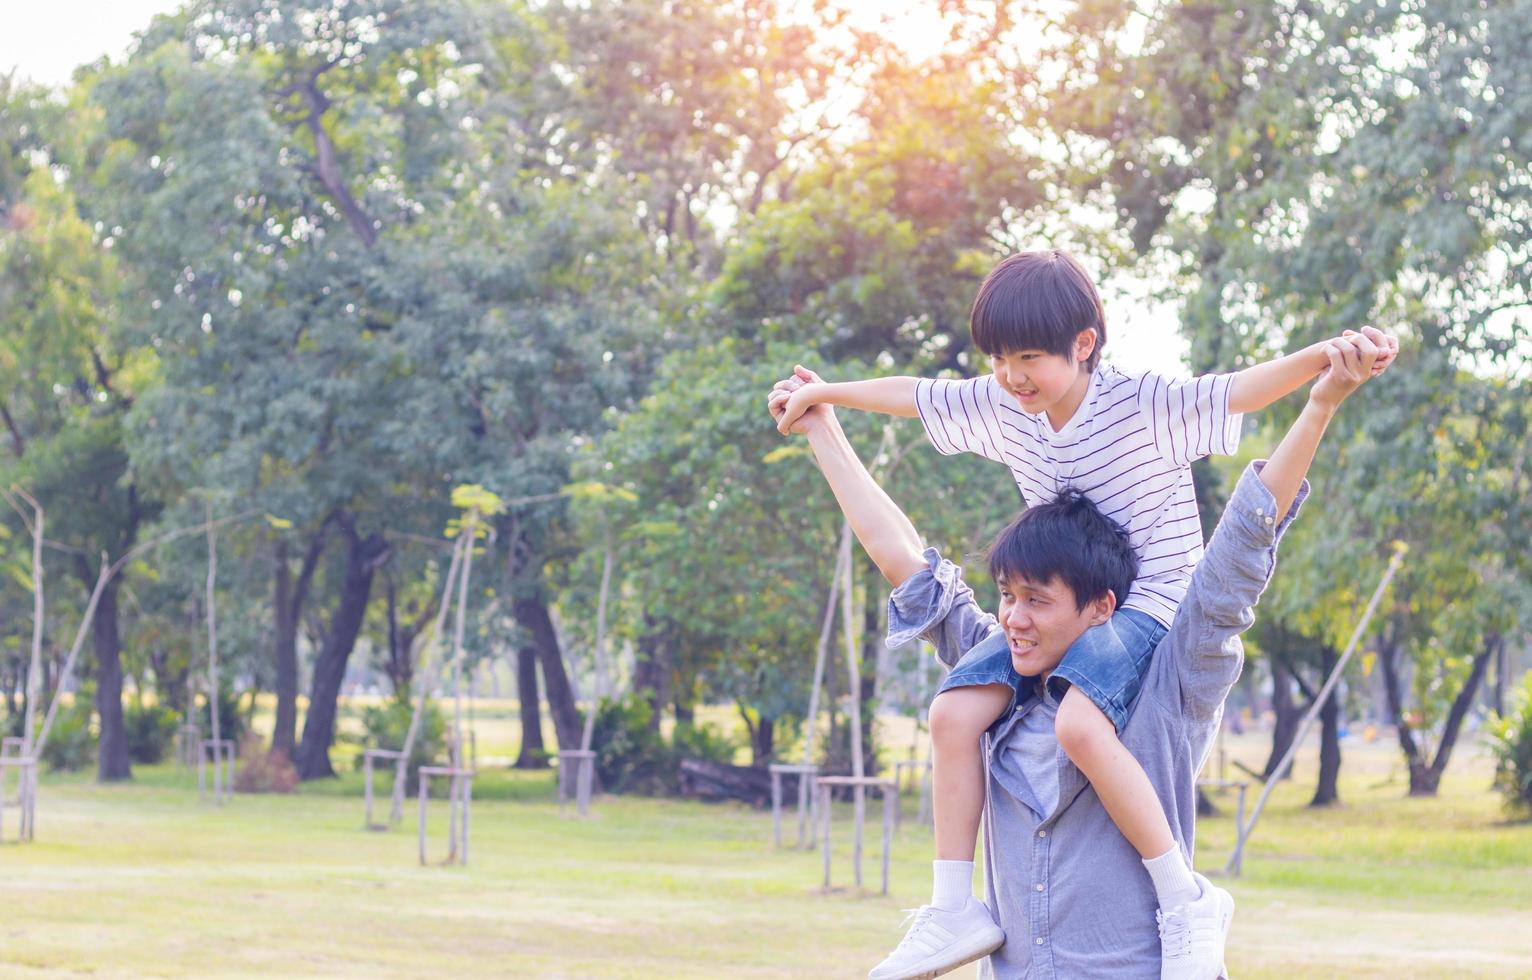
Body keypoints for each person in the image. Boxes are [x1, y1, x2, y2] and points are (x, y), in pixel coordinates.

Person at [772, 249, 1397, 980]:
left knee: (1078, 723)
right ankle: (951, 908)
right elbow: (917, 415)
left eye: (1029, 356)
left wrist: (1327, 373)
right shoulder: (1008, 430)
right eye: (1011, 597)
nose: (1012, 374)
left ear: (1085, 345)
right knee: (951, 714)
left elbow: (1240, 416)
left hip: (1150, 607)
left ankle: (1185, 899)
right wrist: (826, 405)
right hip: (1082, 599)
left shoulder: (1165, 681)